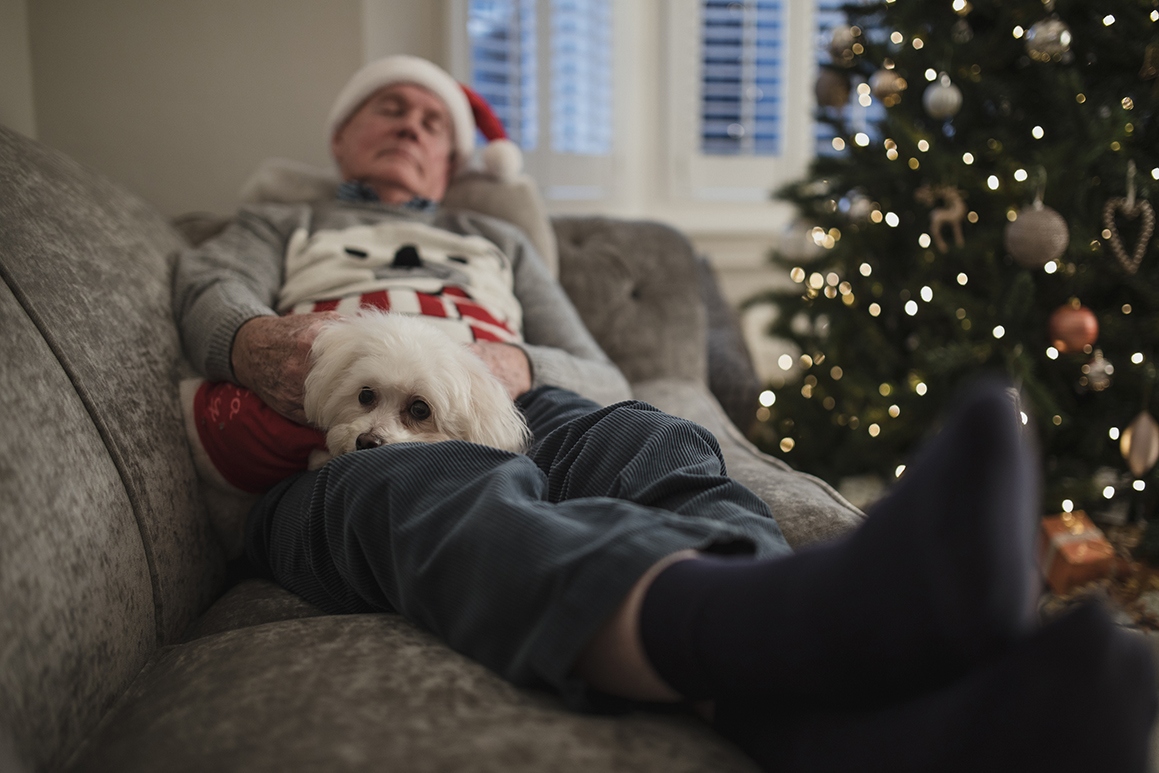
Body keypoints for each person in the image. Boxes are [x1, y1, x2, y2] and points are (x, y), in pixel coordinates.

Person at [174, 55, 1156, 772]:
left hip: (507, 393)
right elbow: (206, 291)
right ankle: (804, 619)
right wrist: (257, 345)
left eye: (432, 121)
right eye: (387, 110)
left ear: (452, 162)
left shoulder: (493, 242)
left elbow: (590, 364)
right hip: (328, 448)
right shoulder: (281, 223)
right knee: (429, 478)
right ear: (343, 137)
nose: (410, 127)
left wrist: (508, 360)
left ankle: (834, 703)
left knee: (651, 436)